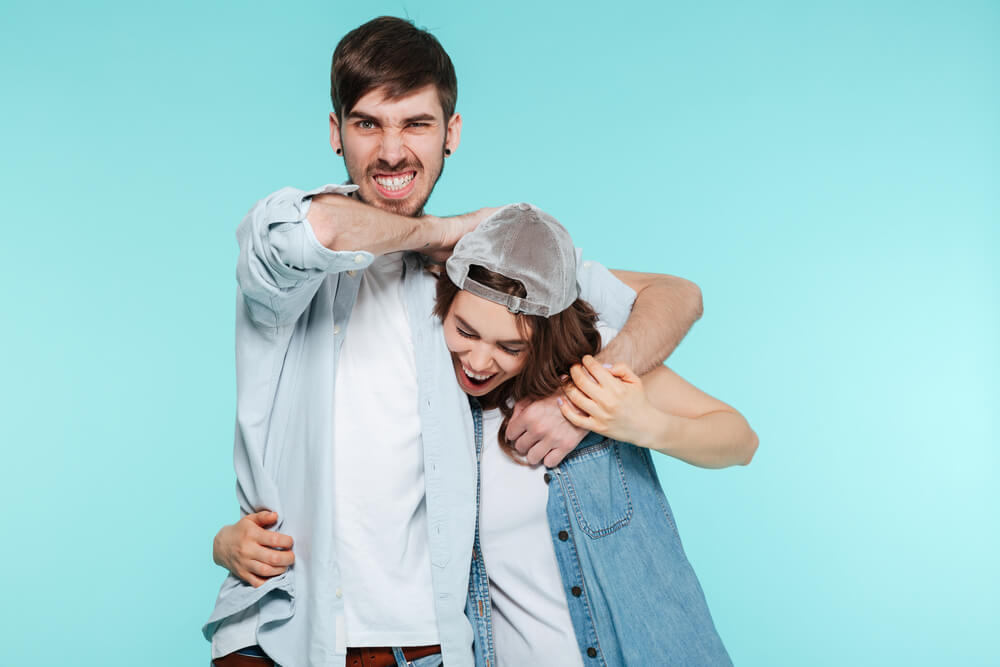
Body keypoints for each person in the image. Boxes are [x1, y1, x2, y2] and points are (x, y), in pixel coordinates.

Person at [204, 17, 704, 667]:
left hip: (422, 645)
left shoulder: (485, 274)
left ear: (452, 133)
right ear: (335, 134)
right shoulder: (291, 261)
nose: (391, 151)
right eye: (367, 123)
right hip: (280, 634)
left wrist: (585, 395)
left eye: (416, 123)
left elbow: (675, 296)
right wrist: (441, 231)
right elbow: (321, 227)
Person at [434, 205, 757, 666]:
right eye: (465, 331)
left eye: (511, 347)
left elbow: (741, 440)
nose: (480, 361)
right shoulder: (432, 409)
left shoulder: (593, 367)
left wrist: (640, 423)